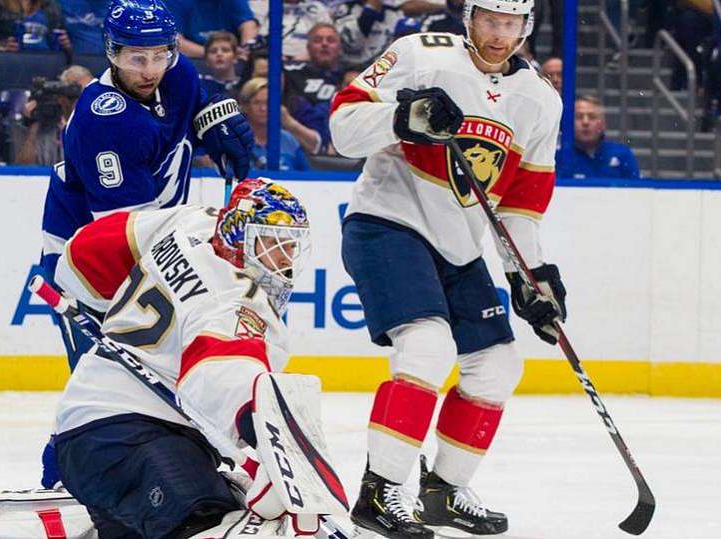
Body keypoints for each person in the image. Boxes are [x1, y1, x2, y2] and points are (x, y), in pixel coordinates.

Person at [330, 0, 565, 536]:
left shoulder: (539, 100)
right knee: (428, 346)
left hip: (458, 248)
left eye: (511, 25)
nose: (500, 35)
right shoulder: (419, 54)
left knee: (499, 366)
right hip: (386, 224)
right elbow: (343, 127)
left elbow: (521, 208)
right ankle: (380, 490)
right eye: (490, 21)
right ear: (470, 19)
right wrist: (400, 118)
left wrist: (532, 279)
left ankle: (445, 492)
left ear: (526, 27)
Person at [38, 0, 254, 489]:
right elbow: (123, 232)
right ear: (112, 52)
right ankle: (63, 477)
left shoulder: (175, 75)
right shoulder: (104, 119)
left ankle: (173, 468)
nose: (150, 69)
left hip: (155, 241)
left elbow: (198, 99)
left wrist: (217, 120)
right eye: (137, 57)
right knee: (104, 382)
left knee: (163, 373)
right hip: (88, 261)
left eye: (159, 55)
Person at [51, 178, 314, 537]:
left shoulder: (193, 222)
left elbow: (82, 254)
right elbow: (222, 376)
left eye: (289, 247)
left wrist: (113, 313)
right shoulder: (238, 300)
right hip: (135, 439)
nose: (282, 262)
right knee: (212, 526)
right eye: (271, 244)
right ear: (239, 235)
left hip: (91, 433)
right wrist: (271, 447)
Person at [284, 23, 345, 154]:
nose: (324, 44)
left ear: (340, 47)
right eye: (317, 40)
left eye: (331, 40)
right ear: (308, 47)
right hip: (300, 142)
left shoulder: (351, 75)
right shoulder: (291, 73)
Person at [15, 65, 94, 165]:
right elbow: (21, 170)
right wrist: (34, 123)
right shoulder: (44, 125)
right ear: (62, 98)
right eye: (78, 95)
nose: (86, 100)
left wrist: (69, 136)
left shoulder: (102, 122)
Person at [239, 77, 316, 170]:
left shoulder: (288, 140)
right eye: (257, 103)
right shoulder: (234, 140)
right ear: (246, 106)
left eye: (268, 103)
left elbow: (306, 177)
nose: (263, 108)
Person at [556, 95, 641, 179]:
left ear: (603, 124)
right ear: (568, 123)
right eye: (579, 117)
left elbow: (637, 190)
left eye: (592, 117)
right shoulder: (559, 157)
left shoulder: (622, 154)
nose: (585, 122)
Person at [163, 0, 258, 59]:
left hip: (233, 57)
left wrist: (246, 49)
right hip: (193, 59)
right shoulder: (175, 2)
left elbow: (248, 24)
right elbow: (174, 39)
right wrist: (215, 54)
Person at [333, 0, 410, 67]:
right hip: (352, 68)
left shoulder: (394, 13)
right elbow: (351, 43)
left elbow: (404, 43)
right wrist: (371, 9)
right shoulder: (346, 9)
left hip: (385, 68)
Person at [0, 0, 71, 53]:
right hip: (9, 63)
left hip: (44, 63)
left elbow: (61, 42)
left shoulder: (51, 6)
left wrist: (65, 45)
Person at [199, 31, 241, 96]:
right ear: (206, 60)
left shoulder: (244, 84)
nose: (219, 54)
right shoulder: (200, 85)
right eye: (213, 51)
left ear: (235, 57)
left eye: (225, 50)